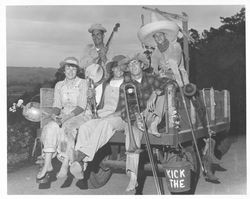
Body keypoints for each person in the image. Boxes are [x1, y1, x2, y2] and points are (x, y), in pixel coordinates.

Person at [69, 55, 129, 180]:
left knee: (104, 124)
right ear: (112, 69)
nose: (118, 69)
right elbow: (95, 106)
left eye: (121, 67)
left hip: (122, 117)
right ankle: (81, 165)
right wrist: (91, 98)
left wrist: (112, 115)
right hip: (103, 114)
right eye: (116, 67)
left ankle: (80, 155)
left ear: (125, 69)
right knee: (86, 126)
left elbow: (130, 107)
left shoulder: (129, 84)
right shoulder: (105, 84)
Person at [36, 57, 92, 183]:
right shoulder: (59, 85)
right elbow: (57, 105)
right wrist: (55, 115)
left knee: (68, 128)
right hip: (64, 114)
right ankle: (47, 164)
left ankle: (65, 163)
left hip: (81, 115)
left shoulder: (83, 83)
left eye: (73, 68)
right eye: (68, 67)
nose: (71, 70)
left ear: (77, 70)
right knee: (51, 127)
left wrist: (66, 117)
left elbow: (82, 106)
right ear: (64, 70)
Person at [137, 12, 189, 87]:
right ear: (154, 39)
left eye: (160, 35)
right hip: (165, 81)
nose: (159, 38)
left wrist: (166, 70)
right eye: (156, 36)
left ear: (165, 35)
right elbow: (154, 68)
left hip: (181, 80)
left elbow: (175, 62)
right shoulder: (155, 53)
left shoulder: (176, 46)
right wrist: (157, 73)